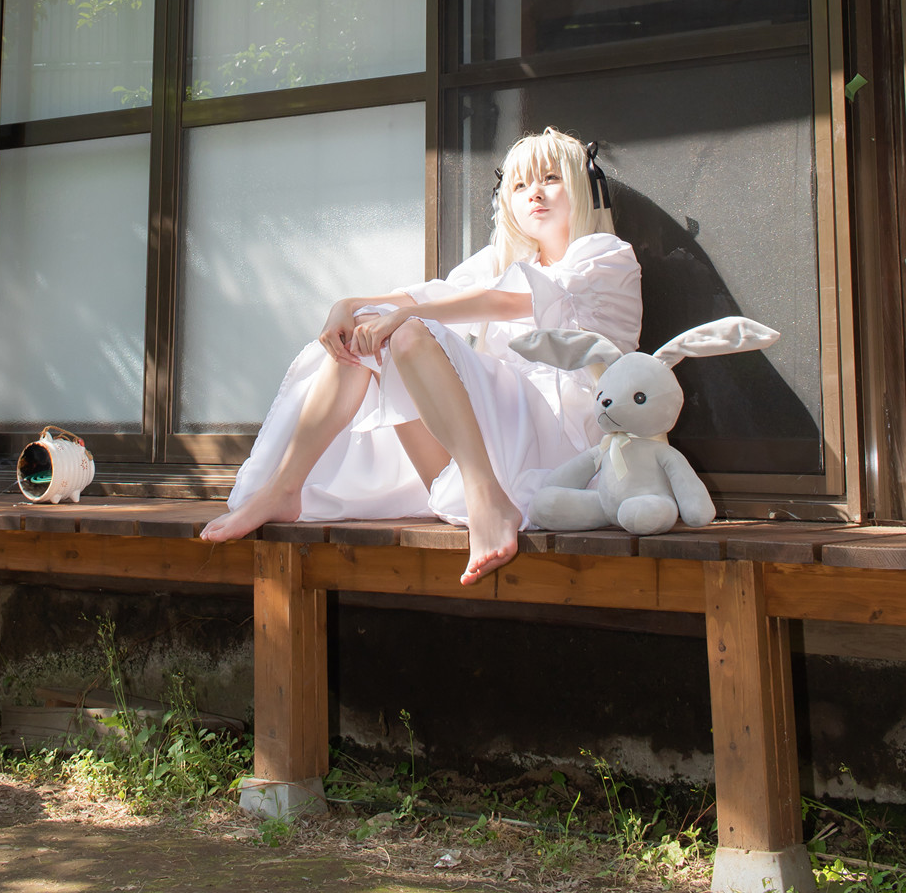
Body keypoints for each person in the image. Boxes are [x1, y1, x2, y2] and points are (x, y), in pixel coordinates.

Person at [200, 127, 642, 583]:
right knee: (374, 328)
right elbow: (428, 295)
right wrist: (347, 306)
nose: (534, 193)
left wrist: (403, 316)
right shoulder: (501, 262)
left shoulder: (606, 255)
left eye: (550, 178)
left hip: (561, 448)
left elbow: (503, 302)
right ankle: (285, 487)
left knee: (407, 331)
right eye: (519, 185)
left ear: (581, 186)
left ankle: (488, 498)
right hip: (485, 450)